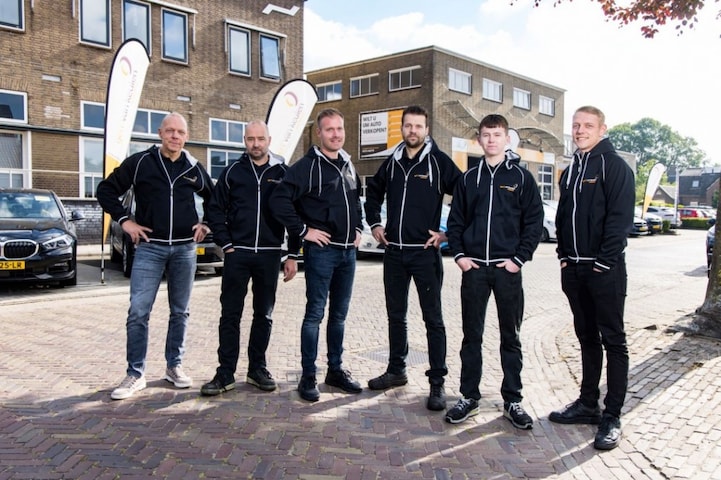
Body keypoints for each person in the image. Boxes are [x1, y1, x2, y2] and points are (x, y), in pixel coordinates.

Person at [97, 112, 214, 400]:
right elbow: (106, 190)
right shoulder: (140, 163)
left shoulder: (193, 167)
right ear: (160, 133)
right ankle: (135, 373)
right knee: (138, 311)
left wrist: (207, 223)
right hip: (150, 248)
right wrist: (125, 221)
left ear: (186, 137)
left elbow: (216, 198)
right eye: (170, 131)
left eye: (180, 132)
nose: (175, 136)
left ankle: (174, 366)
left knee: (180, 311)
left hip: (185, 249)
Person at [444, 114, 543, 429]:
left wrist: (519, 259)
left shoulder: (521, 178)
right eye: (486, 135)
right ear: (479, 139)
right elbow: (456, 221)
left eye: (497, 134)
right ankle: (469, 397)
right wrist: (460, 256)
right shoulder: (468, 179)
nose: (491, 140)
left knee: (510, 337)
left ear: (506, 139)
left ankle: (513, 400)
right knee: (471, 336)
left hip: (507, 271)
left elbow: (534, 222)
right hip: (474, 269)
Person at [549, 106, 635, 451]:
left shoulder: (614, 166)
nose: (580, 130)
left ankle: (611, 416)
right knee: (586, 337)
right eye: (576, 125)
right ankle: (587, 404)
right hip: (574, 269)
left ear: (602, 129)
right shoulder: (570, 170)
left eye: (587, 125)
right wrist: (564, 257)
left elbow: (620, 220)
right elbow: (562, 216)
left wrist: (603, 263)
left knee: (613, 341)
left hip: (604, 271)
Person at [364, 105, 461, 411]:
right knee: (396, 315)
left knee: (433, 319)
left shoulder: (438, 162)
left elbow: (465, 195)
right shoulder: (392, 162)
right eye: (408, 126)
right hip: (394, 252)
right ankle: (397, 370)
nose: (413, 131)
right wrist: (375, 223)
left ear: (426, 130)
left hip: (424, 254)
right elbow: (373, 192)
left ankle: (437, 382)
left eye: (418, 126)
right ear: (402, 128)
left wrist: (448, 233)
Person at [270, 108, 364, 402]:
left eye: (339, 129)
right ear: (319, 133)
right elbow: (279, 200)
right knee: (315, 315)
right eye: (329, 129)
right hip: (322, 253)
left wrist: (358, 227)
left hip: (348, 254)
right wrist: (303, 230)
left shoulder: (348, 164)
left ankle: (335, 371)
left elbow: (355, 200)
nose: (336, 134)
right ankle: (308, 376)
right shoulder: (306, 166)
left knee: (339, 316)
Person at [200, 120, 300, 396]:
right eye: (250, 139)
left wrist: (292, 253)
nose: (256, 144)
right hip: (238, 254)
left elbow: (294, 215)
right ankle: (225, 373)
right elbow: (215, 209)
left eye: (260, 139)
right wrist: (226, 243)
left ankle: (257, 368)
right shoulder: (232, 172)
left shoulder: (283, 173)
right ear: (244, 141)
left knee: (263, 314)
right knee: (230, 314)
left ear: (269, 140)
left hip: (269, 254)